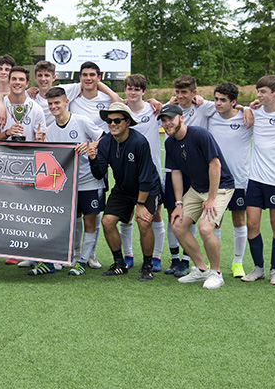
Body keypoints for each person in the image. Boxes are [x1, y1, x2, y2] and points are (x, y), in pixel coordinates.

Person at [159, 103, 235, 289]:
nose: (167, 123)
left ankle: (216, 273)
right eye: (164, 120)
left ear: (181, 118)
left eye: (171, 119)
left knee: (205, 228)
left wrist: (211, 198)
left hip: (220, 187)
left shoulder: (200, 134)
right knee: (177, 225)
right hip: (196, 188)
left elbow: (215, 165)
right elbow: (175, 173)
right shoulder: (169, 142)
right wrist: (178, 203)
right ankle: (202, 270)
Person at [87, 102, 162, 279]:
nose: (112, 124)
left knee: (143, 222)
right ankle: (119, 263)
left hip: (147, 188)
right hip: (123, 189)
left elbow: (145, 177)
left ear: (127, 122)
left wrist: (141, 204)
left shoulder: (139, 142)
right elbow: (99, 173)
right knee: (107, 222)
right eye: (109, 121)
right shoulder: (105, 142)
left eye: (117, 120)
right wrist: (92, 158)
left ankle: (147, 265)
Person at [44, 87, 105, 276]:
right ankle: (75, 254)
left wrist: (91, 146)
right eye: (51, 104)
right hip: (67, 184)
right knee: (72, 220)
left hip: (89, 180)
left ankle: (86, 259)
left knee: (89, 220)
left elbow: (104, 138)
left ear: (65, 103)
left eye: (57, 103)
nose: (54, 107)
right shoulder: (50, 130)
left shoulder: (82, 121)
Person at [240, 75, 275, 284]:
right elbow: (231, 105)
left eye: (263, 92)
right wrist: (245, 107)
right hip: (255, 179)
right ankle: (258, 267)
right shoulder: (254, 112)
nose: (259, 95)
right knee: (252, 223)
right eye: (258, 91)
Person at [162, 75, 216, 277]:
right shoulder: (169, 106)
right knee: (173, 215)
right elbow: (152, 106)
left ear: (194, 93)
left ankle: (187, 261)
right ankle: (174, 258)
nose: (180, 96)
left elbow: (228, 105)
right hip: (174, 170)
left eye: (185, 92)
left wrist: (246, 109)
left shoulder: (204, 106)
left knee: (190, 217)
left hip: (194, 172)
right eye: (177, 92)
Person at [207, 82, 253, 278]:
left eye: (223, 100)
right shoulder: (210, 117)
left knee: (239, 220)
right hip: (217, 181)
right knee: (216, 222)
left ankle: (237, 262)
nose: (218, 103)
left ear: (233, 102)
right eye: (216, 99)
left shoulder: (246, 119)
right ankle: (212, 260)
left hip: (240, 179)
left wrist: (248, 108)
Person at [120, 74, 165, 272]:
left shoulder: (154, 110)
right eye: (129, 88)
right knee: (127, 215)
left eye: (137, 89)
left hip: (152, 173)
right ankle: (128, 255)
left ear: (143, 92)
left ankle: (156, 256)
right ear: (125, 90)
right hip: (128, 173)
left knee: (155, 215)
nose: (132, 92)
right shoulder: (121, 111)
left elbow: (179, 111)